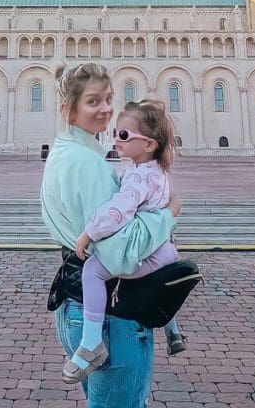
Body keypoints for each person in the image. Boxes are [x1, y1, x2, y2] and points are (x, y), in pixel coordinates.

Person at [41, 62, 181, 407]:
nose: (105, 109)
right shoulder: (86, 163)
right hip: (110, 319)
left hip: (78, 305)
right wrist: (167, 215)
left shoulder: (67, 152)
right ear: (68, 109)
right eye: (93, 101)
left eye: (108, 98)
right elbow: (120, 254)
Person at [68, 98, 187, 383]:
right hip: (166, 251)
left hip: (148, 252)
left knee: (93, 271)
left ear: (148, 144)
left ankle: (91, 343)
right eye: (115, 133)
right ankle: (173, 332)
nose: (115, 139)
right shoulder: (160, 173)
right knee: (158, 283)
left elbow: (118, 211)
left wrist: (89, 233)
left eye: (123, 135)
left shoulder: (137, 178)